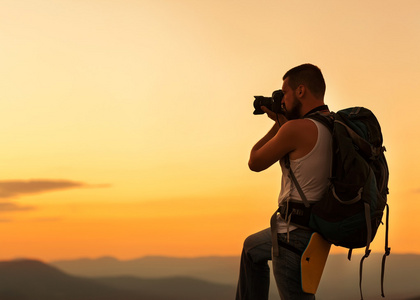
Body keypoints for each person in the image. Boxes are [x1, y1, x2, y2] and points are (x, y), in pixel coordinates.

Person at [235, 64, 332, 300]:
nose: (282, 100)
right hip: (315, 228)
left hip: (293, 235)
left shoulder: (296, 129)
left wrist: (280, 123)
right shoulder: (331, 125)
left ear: (300, 91)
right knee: (251, 248)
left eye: (284, 93)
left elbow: (254, 161)